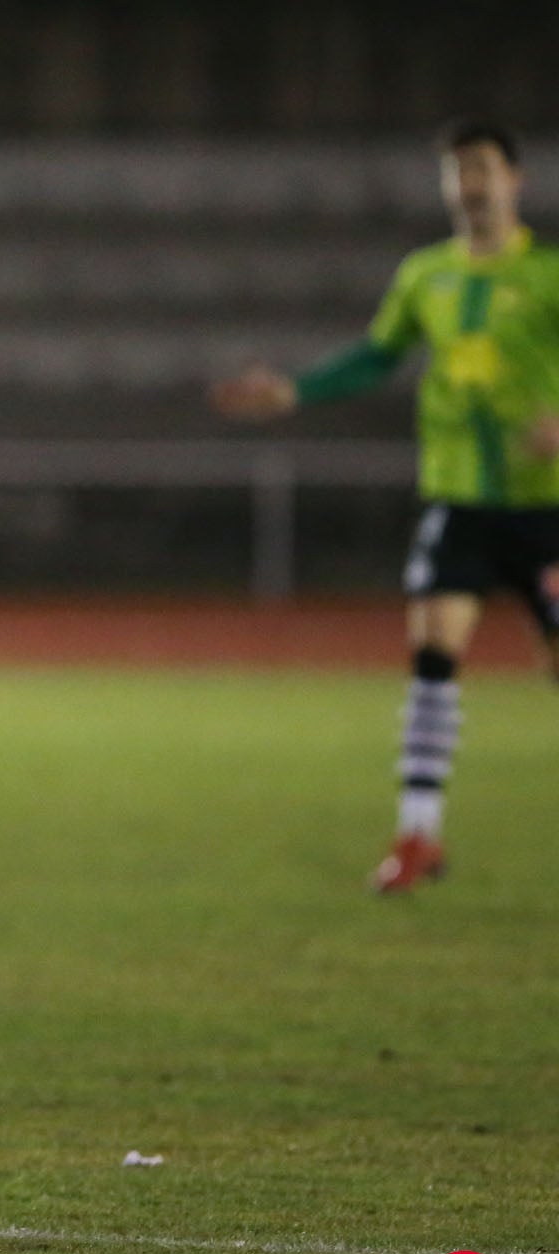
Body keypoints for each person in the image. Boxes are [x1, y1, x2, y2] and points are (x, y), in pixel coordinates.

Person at [213, 116, 559, 894]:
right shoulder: (425, 274)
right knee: (433, 655)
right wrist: (294, 390)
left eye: (482, 168)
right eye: (457, 171)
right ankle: (417, 835)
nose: (469, 184)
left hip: (547, 508)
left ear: (516, 180)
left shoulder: (549, 276)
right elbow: (378, 356)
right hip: (459, 496)